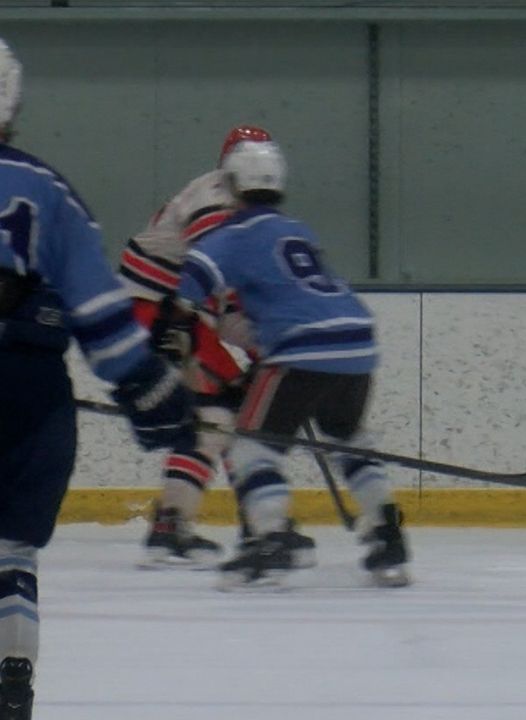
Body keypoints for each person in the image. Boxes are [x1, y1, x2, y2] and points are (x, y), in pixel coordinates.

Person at [0, 37, 196, 720]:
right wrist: (152, 394)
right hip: (27, 390)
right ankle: (12, 669)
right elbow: (101, 315)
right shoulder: (50, 192)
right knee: (12, 549)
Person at [163, 138, 410, 589]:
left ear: (232, 185)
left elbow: (188, 291)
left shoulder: (226, 236)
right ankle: (387, 532)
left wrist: (167, 350)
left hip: (299, 349)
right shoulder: (298, 231)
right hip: (356, 341)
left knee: (252, 448)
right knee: (347, 440)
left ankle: (270, 539)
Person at [119, 124, 271, 567]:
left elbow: (220, 304)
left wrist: (262, 350)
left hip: (168, 313)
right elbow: (219, 280)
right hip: (159, 313)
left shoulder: (228, 200)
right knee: (220, 412)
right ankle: (244, 521)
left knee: (217, 417)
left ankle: (184, 522)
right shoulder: (217, 200)